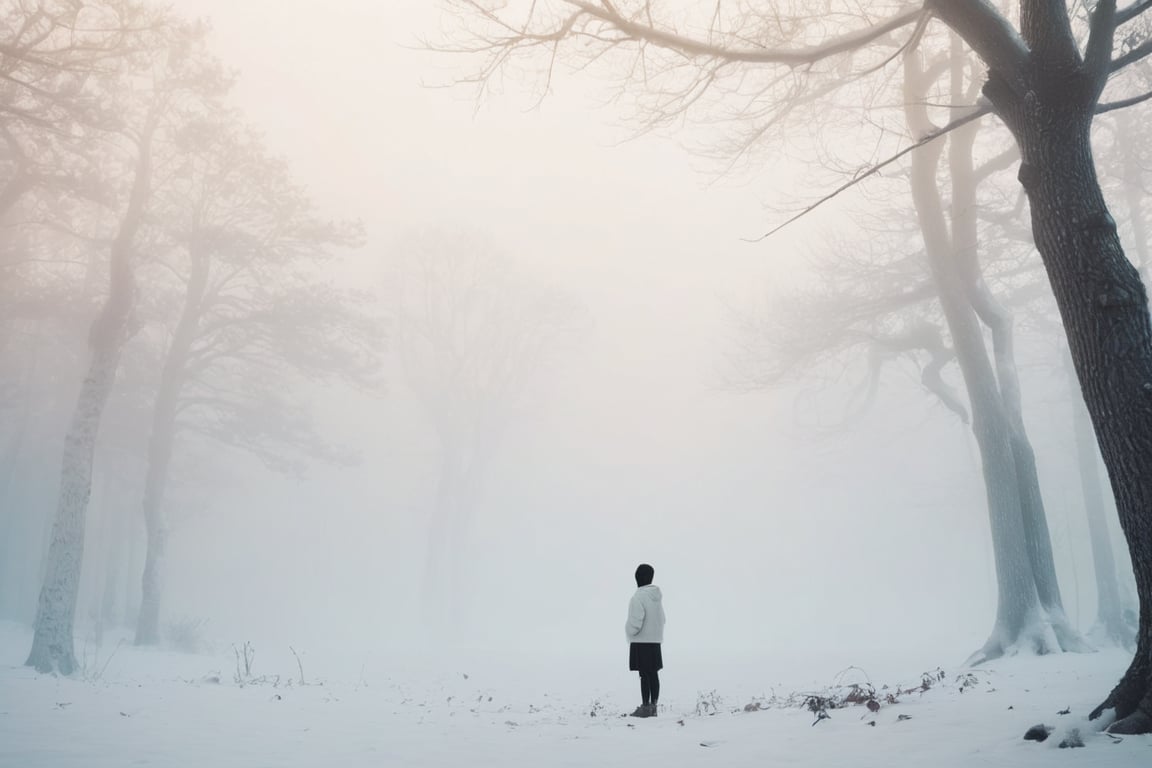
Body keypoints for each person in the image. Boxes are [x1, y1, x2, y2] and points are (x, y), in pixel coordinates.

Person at [625, 563, 665, 718]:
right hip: (655, 641)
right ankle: (653, 706)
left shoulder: (638, 597)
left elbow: (635, 621)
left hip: (641, 641)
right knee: (653, 674)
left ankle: (645, 707)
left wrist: (629, 631)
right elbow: (663, 618)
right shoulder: (657, 598)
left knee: (644, 675)